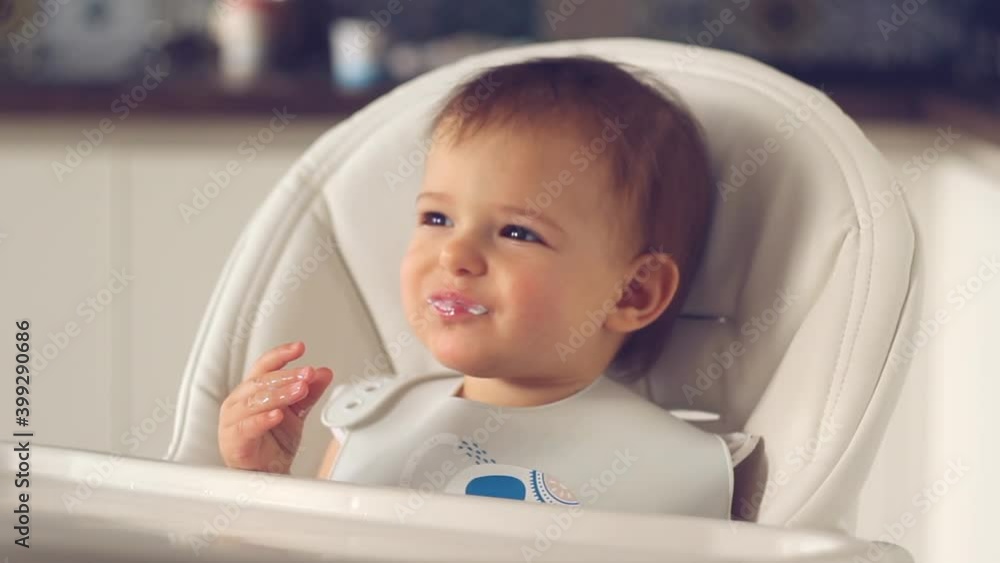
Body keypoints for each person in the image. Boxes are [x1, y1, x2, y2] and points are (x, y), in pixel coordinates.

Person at [218, 56, 733, 516]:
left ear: (633, 292)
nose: (454, 255)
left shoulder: (672, 470)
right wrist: (262, 485)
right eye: (437, 218)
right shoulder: (371, 426)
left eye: (517, 232)